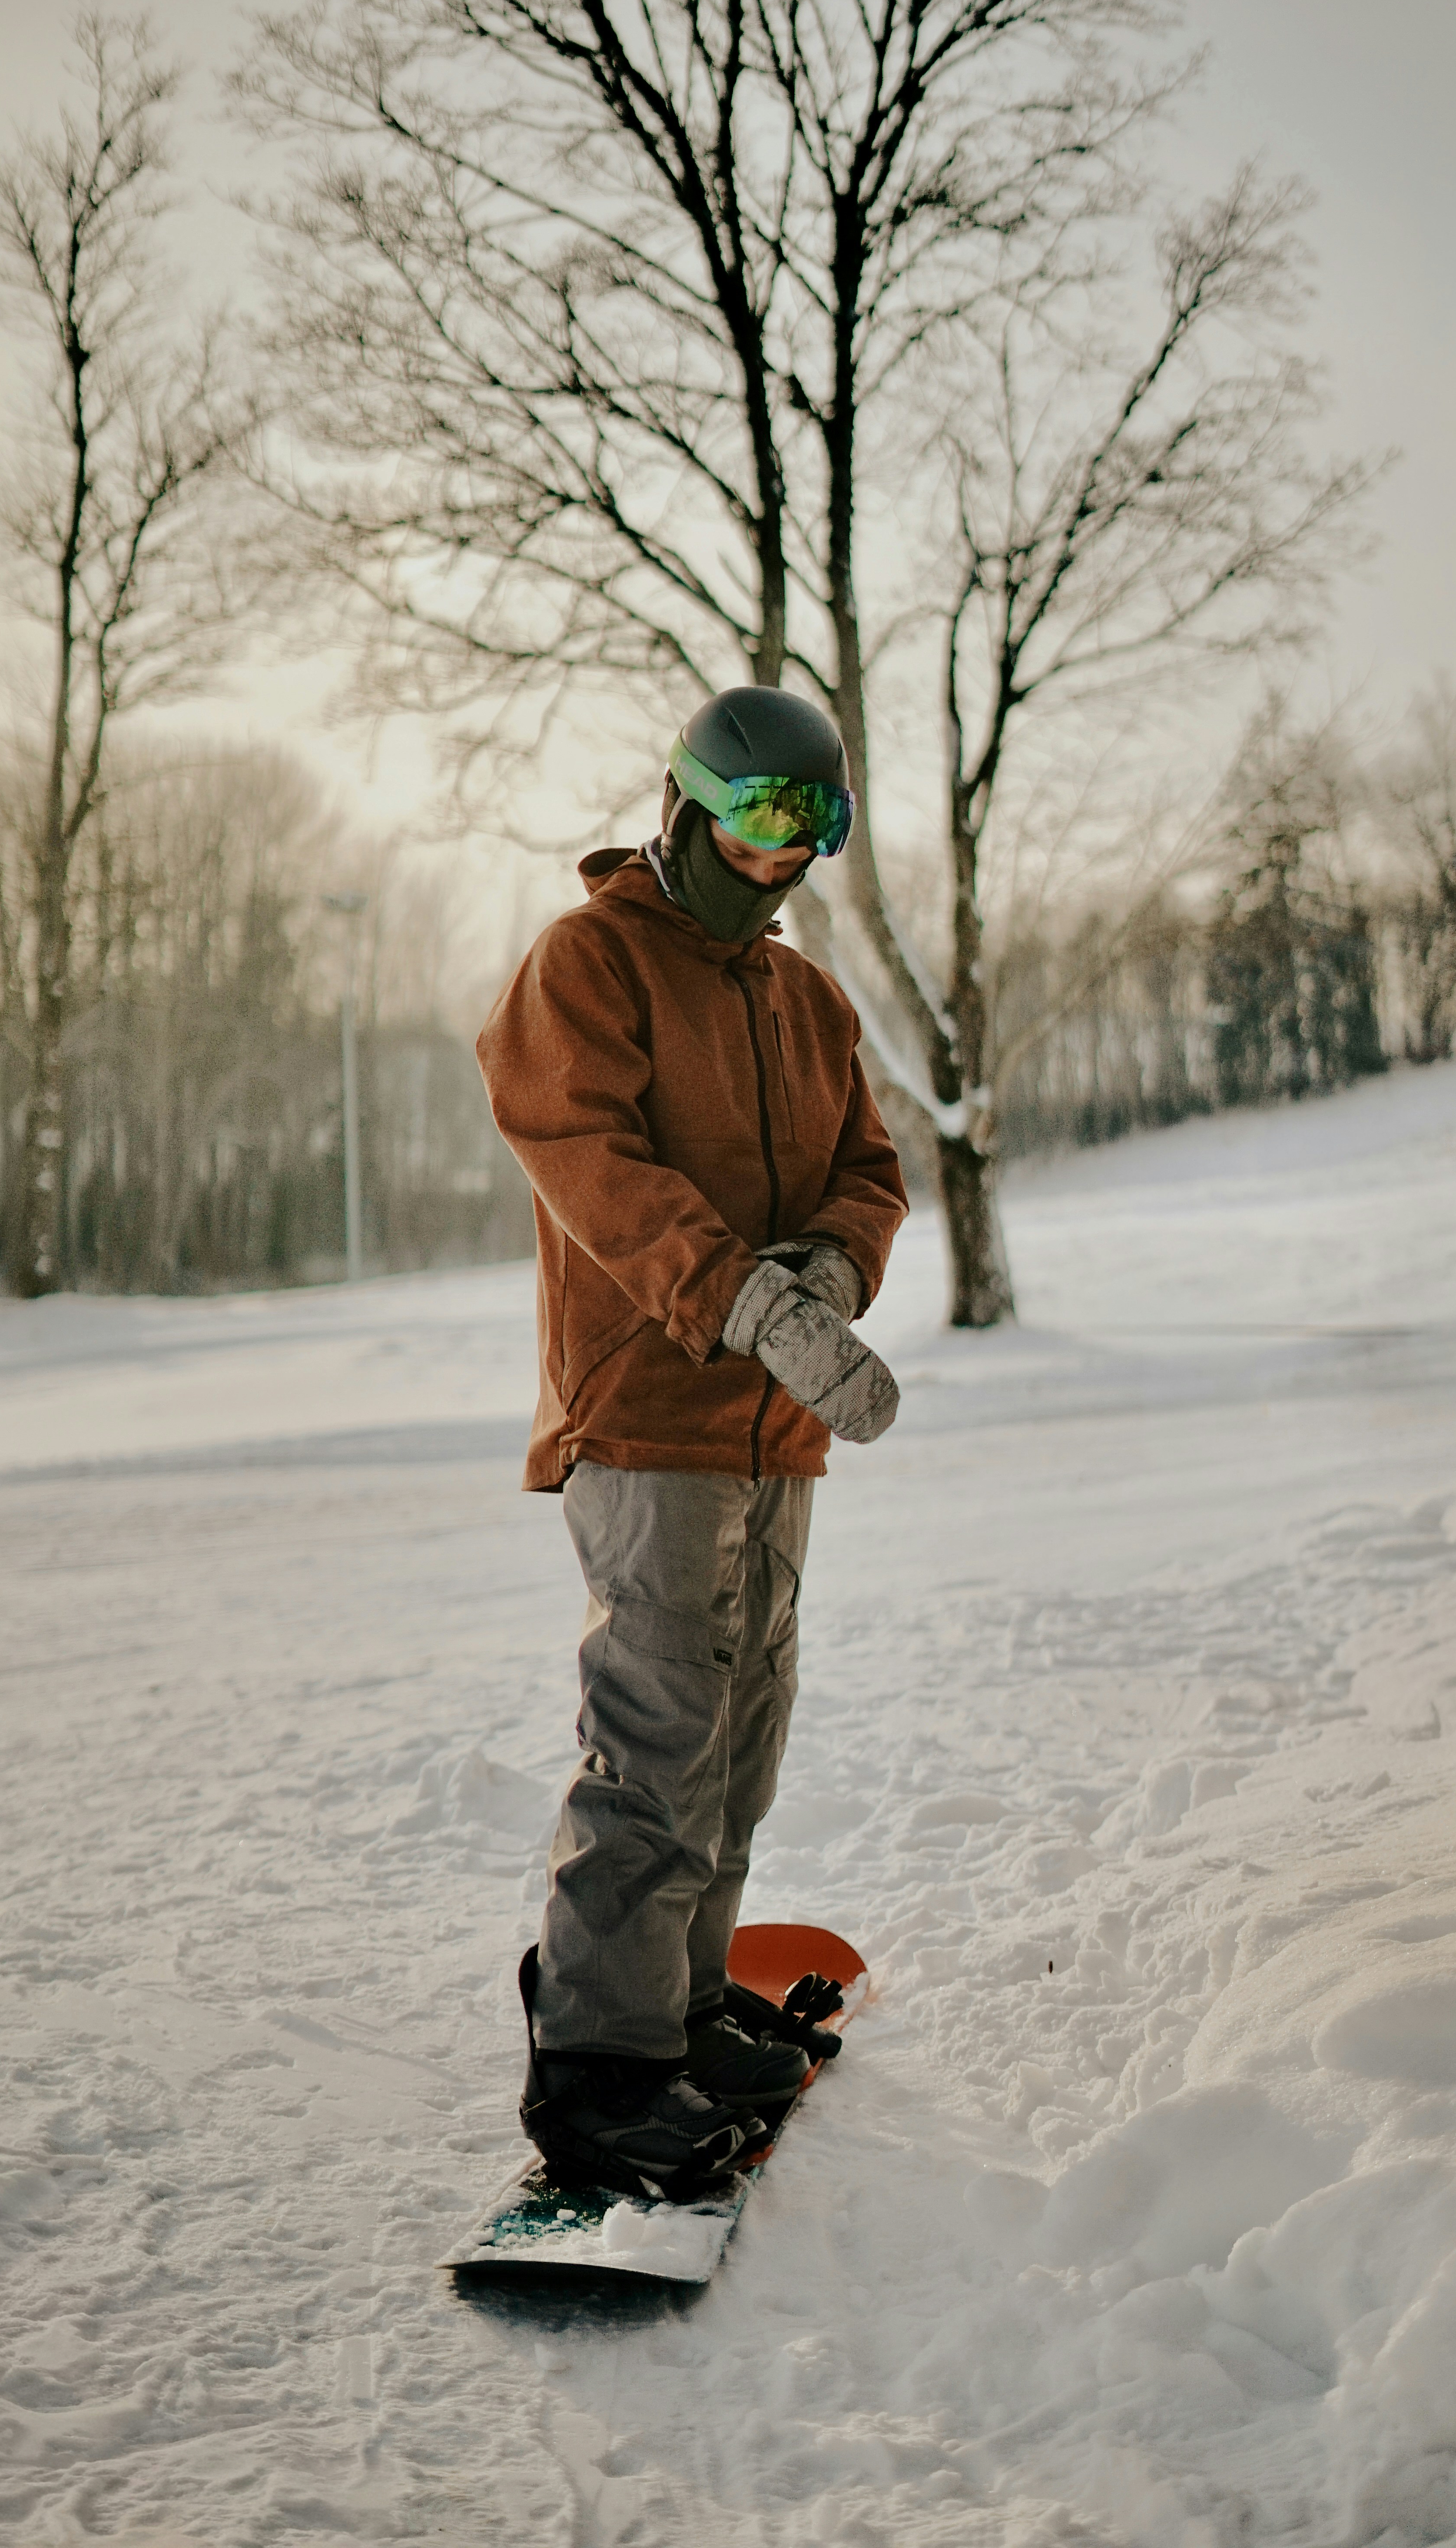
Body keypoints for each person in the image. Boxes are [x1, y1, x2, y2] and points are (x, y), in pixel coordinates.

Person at [475, 687, 909, 2200]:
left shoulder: (807, 1002)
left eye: (821, 824)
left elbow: (873, 1165)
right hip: (650, 1414)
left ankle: (680, 2000)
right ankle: (600, 2061)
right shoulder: (589, 965)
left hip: (778, 1433)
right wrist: (737, 1303)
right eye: (767, 818)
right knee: (655, 1734)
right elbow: (588, 1161)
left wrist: (839, 1279)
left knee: (743, 1733)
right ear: (693, 801)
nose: (791, 853)